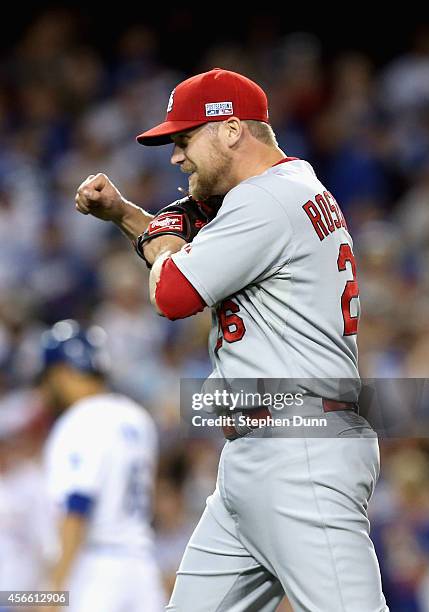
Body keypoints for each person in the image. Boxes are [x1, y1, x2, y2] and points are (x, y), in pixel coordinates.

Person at [75, 68, 388, 611]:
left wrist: (160, 234)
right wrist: (130, 216)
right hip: (259, 457)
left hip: (300, 451)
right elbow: (184, 254)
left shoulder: (267, 199)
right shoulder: (290, 187)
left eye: (184, 138)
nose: (175, 156)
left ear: (231, 129)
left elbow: (172, 292)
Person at [38, 319, 165, 612]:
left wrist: (53, 592)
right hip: (143, 569)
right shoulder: (137, 417)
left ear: (61, 374)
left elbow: (77, 506)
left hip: (95, 571)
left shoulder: (79, 421)